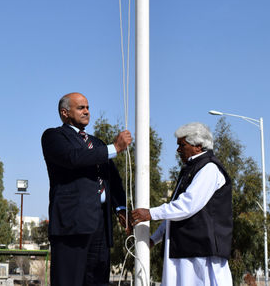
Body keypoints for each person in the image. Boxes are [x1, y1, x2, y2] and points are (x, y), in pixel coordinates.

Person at [41, 92, 133, 286]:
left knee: (98, 280)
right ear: (65, 113)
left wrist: (120, 209)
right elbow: (74, 158)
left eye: (88, 107)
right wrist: (115, 147)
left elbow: (112, 179)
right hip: (71, 225)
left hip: (100, 223)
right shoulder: (53, 137)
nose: (86, 112)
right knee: (70, 280)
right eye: (81, 107)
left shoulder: (97, 143)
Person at [130, 122, 233, 286]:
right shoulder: (190, 169)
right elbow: (174, 212)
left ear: (198, 146)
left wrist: (149, 213)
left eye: (182, 145)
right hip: (184, 250)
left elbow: (187, 206)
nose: (178, 150)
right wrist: (154, 239)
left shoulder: (209, 168)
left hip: (200, 253)